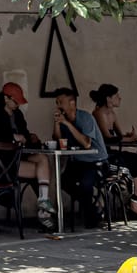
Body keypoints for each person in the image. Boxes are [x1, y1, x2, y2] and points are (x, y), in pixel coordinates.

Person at [0, 81, 52, 220]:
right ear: (6, 99)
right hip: (2, 163)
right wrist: (12, 137)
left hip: (19, 156)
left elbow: (24, 133)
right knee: (42, 172)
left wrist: (29, 138)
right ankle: (44, 209)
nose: (17, 105)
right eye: (15, 102)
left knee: (43, 159)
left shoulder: (17, 115)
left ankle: (43, 203)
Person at [47, 86, 105, 222]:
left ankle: (91, 218)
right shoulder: (63, 120)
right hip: (78, 161)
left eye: (61, 102)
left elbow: (86, 143)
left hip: (96, 161)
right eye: (57, 102)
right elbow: (57, 140)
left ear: (72, 103)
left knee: (85, 183)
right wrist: (57, 123)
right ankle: (92, 206)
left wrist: (67, 123)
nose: (58, 105)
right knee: (63, 181)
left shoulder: (85, 118)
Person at [91, 84, 137, 218]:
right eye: (117, 96)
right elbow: (108, 138)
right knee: (128, 161)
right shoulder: (98, 113)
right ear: (108, 98)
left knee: (135, 158)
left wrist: (128, 136)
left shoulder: (112, 114)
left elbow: (119, 135)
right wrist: (128, 138)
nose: (120, 98)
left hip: (115, 151)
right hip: (105, 155)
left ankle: (136, 199)